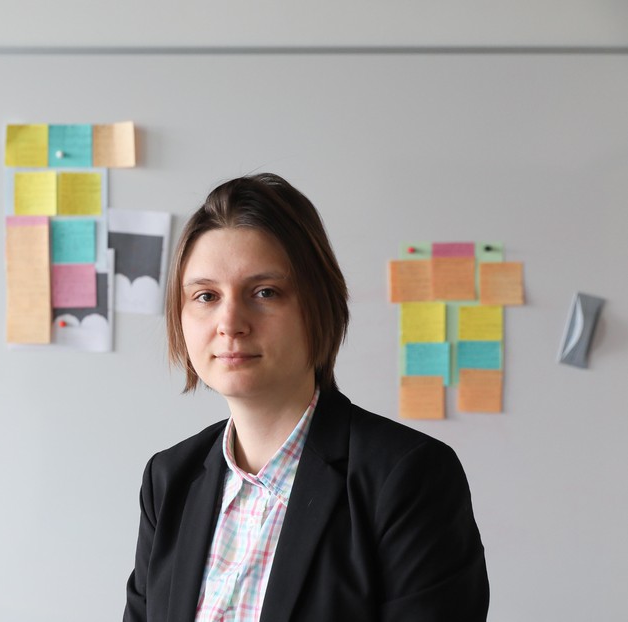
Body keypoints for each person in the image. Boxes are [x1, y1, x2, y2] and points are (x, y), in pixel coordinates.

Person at [123, 174, 489, 622]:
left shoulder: (408, 478)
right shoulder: (168, 480)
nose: (230, 322)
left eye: (265, 292)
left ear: (319, 307)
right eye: (205, 296)